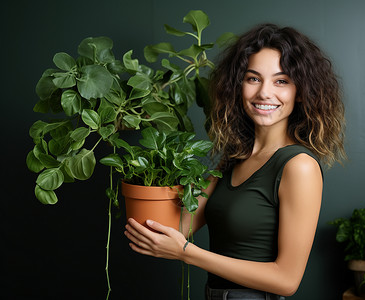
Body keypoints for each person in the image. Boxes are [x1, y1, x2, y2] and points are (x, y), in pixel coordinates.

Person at [124, 23, 346, 299]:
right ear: (238, 85)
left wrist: (187, 253)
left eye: (281, 81)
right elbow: (177, 228)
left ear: (300, 92)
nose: (264, 92)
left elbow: (287, 280)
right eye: (253, 78)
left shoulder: (298, 166)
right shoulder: (233, 159)